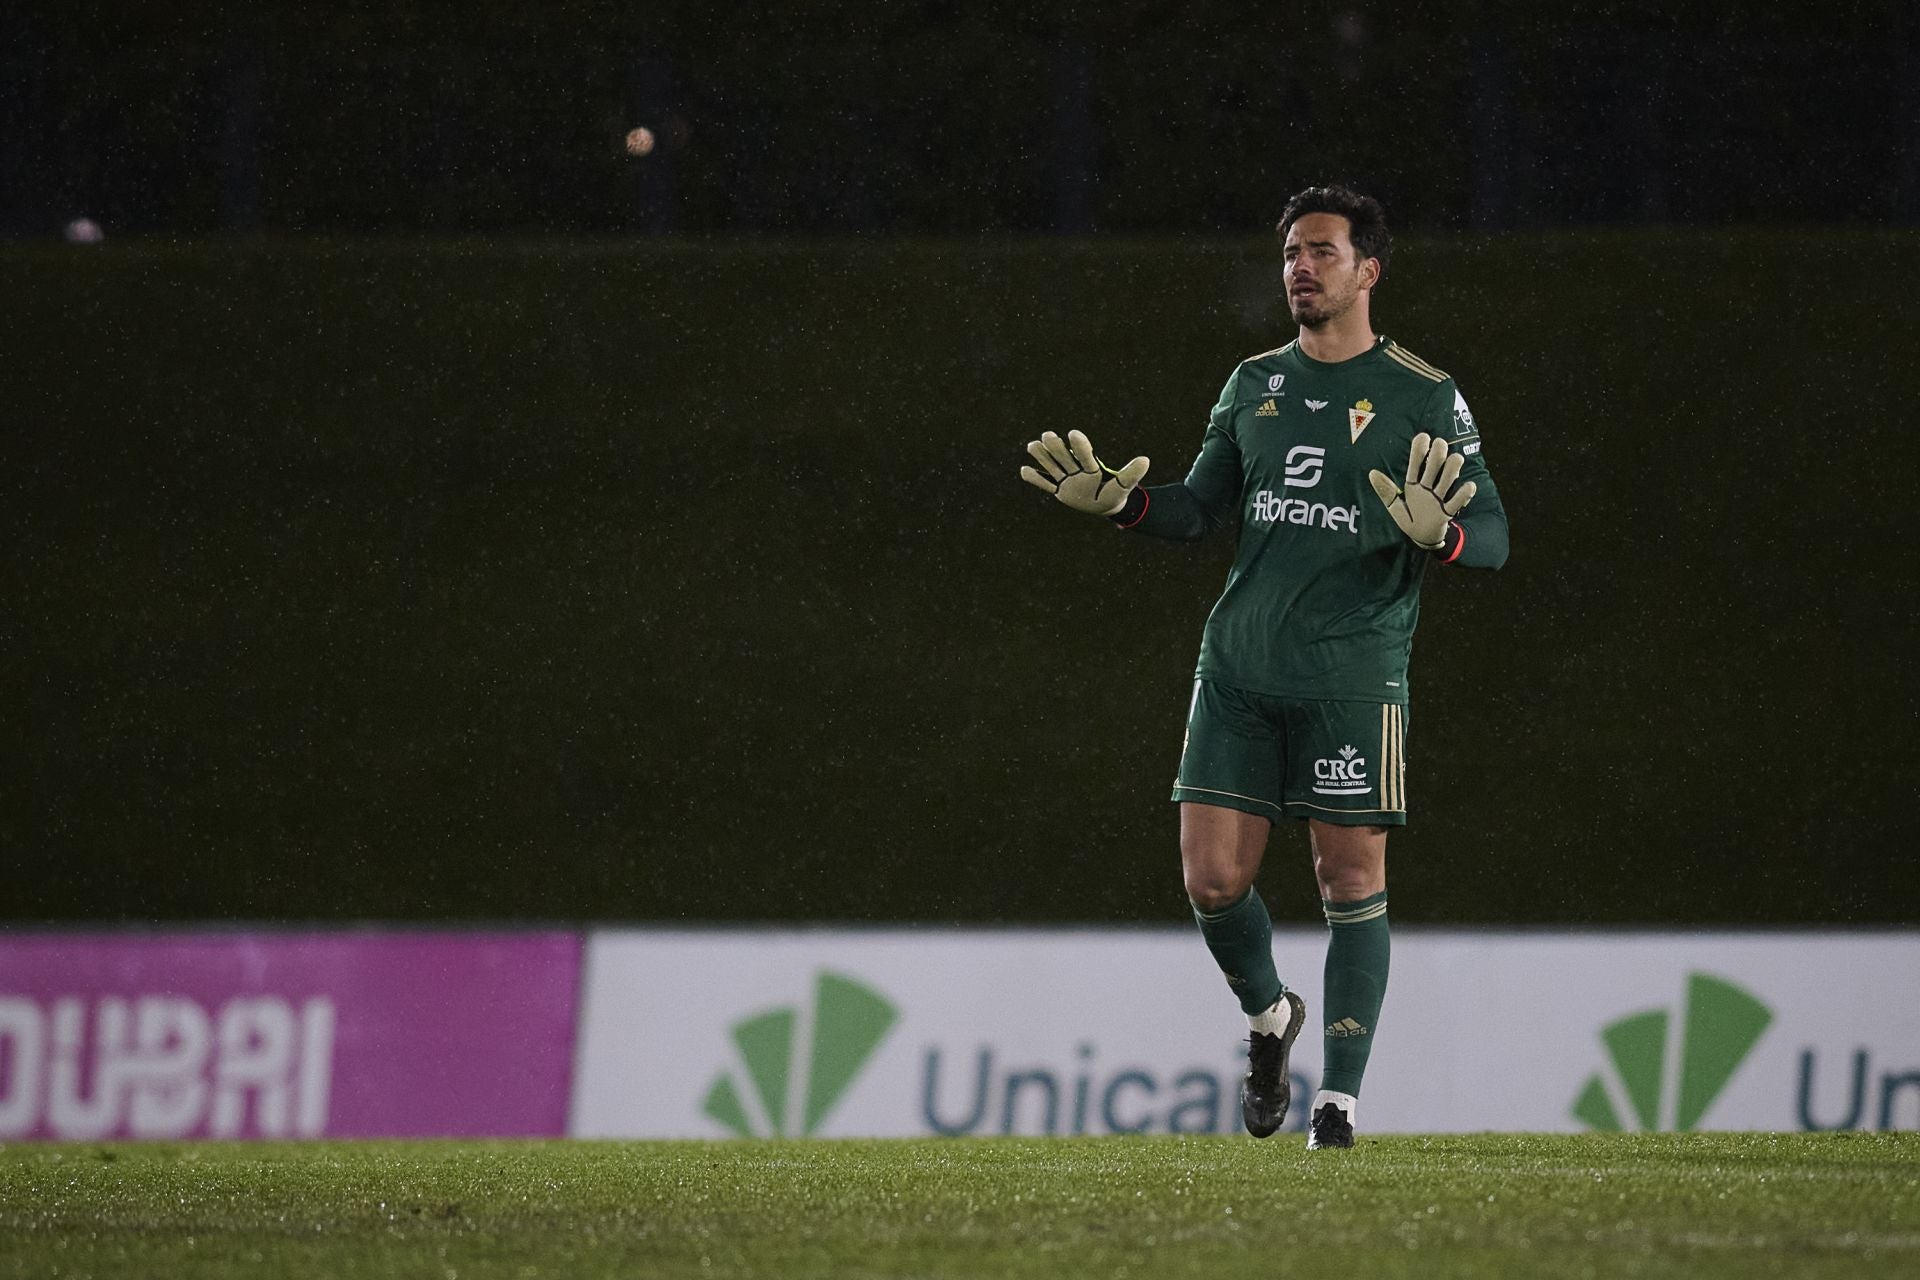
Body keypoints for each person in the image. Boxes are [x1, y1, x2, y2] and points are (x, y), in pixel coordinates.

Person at [1018, 185, 1508, 1149]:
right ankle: (1267, 1017)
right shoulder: (1253, 383)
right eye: (1291, 252)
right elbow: (1201, 509)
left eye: (1321, 251)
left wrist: (1443, 534)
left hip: (1352, 679)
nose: (1300, 266)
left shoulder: (1424, 392)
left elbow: (1491, 535)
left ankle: (1339, 1102)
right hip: (1238, 671)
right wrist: (1123, 505)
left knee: (1346, 875)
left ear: (1369, 269)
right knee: (1210, 884)